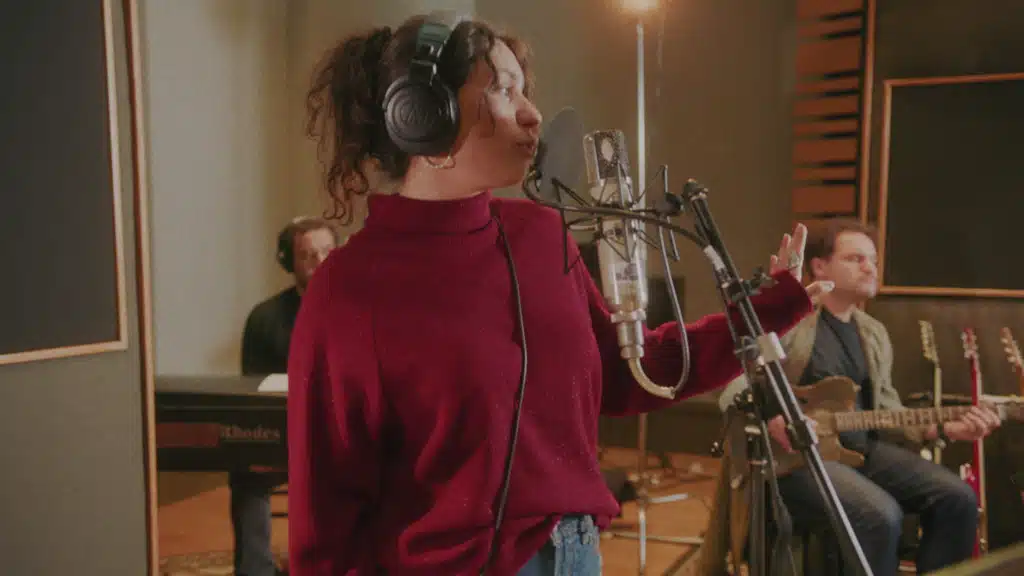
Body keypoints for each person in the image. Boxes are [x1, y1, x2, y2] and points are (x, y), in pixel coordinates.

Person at [287, 12, 825, 575]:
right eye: (503, 89)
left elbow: (631, 371)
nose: (532, 113)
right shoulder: (350, 287)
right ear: (424, 115)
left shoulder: (540, 236)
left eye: (525, 89)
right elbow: (325, 506)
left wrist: (767, 310)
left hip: (576, 553)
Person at [716, 219, 1001, 576]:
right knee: (880, 515)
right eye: (855, 259)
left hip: (861, 450)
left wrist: (942, 428)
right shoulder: (790, 324)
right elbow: (734, 388)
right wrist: (776, 417)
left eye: (873, 260)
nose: (870, 268)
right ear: (820, 266)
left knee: (957, 498)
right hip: (796, 460)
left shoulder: (873, 333)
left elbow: (888, 410)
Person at [234, 216, 339, 576]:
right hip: (284, 434)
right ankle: (256, 570)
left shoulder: (362, 309)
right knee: (247, 474)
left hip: (346, 435)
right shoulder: (265, 318)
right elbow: (253, 390)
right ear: (289, 263)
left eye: (327, 252)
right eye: (308, 255)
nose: (319, 262)